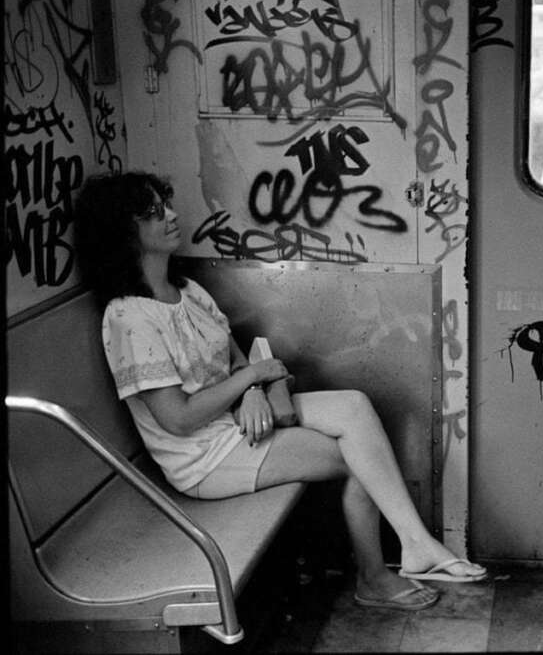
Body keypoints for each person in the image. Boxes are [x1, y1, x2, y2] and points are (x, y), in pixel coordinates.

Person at [73, 171, 487, 612]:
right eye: (154, 213)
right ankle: (377, 574)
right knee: (359, 457)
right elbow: (177, 419)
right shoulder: (129, 318)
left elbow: (233, 356)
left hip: (236, 420)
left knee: (355, 407)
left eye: (166, 204)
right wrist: (251, 380)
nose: (172, 215)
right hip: (202, 456)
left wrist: (251, 390)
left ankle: (413, 544)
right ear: (125, 233)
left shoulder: (187, 291)